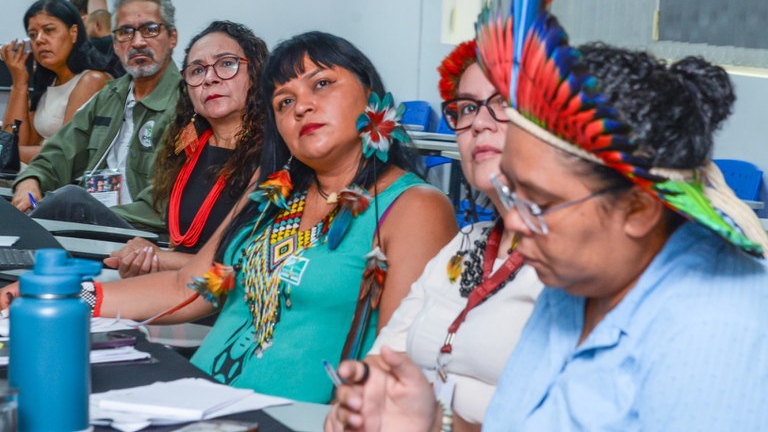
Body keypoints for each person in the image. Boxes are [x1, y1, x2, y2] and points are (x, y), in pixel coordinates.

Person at [329, 12, 768, 431]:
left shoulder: (720, 327)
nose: (515, 223)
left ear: (637, 209)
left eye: (538, 203)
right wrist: (435, 424)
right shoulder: (577, 281)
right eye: (509, 193)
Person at [1, 31, 458, 403]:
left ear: (370, 96)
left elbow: (398, 369)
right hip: (198, 399)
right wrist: (66, 295)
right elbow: (188, 287)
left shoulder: (413, 206)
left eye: (321, 84)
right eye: (283, 101)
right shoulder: (273, 194)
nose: (301, 105)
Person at [325, 40, 542, 431]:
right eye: (469, 107)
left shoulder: (575, 264)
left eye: (503, 104)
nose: (479, 122)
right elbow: (384, 356)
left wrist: (436, 423)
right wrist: (359, 404)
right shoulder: (468, 242)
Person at [103, 20, 268, 277]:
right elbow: (177, 238)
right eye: (197, 70)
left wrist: (160, 258)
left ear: (256, 72)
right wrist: (147, 254)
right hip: (175, 290)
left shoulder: (275, 154)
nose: (210, 78)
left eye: (226, 63)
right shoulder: (185, 146)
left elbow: (246, 262)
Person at [10, 0, 180, 231]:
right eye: (125, 32)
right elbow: (58, 153)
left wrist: (88, 213)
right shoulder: (110, 96)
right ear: (115, 43)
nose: (138, 42)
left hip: (143, 234)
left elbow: (167, 199)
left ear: (172, 37)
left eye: (150, 29)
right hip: (90, 228)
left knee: (68, 200)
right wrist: (31, 181)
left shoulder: (188, 103)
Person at [0, 0, 112, 162]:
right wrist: (19, 83)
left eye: (49, 30)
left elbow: (65, 151)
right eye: (33, 34)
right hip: (36, 174)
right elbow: (17, 140)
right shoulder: (51, 82)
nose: (39, 40)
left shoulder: (91, 80)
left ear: (73, 33)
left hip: (65, 181)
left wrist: (6, 153)